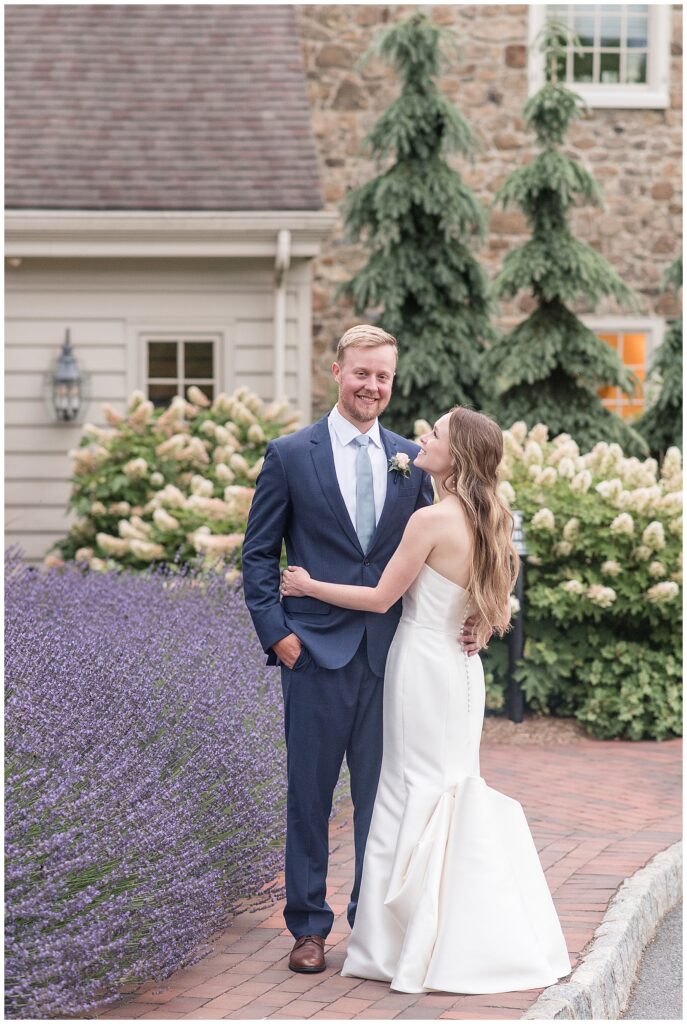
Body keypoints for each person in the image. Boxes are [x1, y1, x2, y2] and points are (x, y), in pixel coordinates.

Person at [281, 405, 572, 994]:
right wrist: (483, 626)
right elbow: (500, 603)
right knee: (451, 784)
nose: (422, 437)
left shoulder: (432, 520)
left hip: (418, 666)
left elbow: (381, 598)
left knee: (407, 787)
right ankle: (456, 926)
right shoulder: (493, 517)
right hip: (461, 674)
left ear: (456, 455)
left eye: (434, 433)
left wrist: (308, 585)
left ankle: (404, 940)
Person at [242, 325, 483, 974]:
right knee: (309, 797)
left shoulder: (415, 459)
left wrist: (480, 616)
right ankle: (308, 929)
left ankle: (371, 924)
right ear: (336, 371)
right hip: (313, 654)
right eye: (361, 373)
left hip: (394, 659)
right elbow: (259, 556)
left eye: (382, 376)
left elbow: (468, 540)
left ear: (391, 382)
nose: (371, 386)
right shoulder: (291, 454)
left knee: (386, 800)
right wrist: (278, 635)